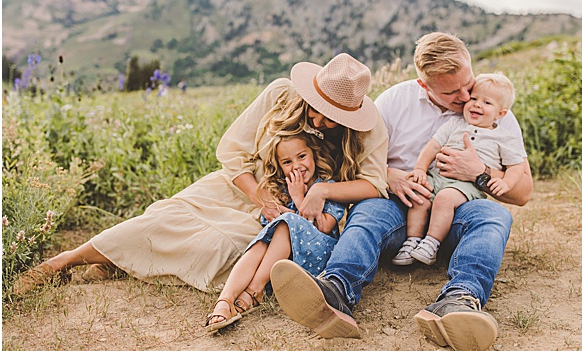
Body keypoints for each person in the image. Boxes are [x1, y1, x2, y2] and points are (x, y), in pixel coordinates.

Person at [11, 54, 389, 295]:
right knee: (163, 217)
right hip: (242, 186)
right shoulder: (280, 94)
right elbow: (231, 150)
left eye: (332, 116)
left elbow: (373, 185)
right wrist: (260, 195)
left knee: (220, 247)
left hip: (290, 210)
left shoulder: (368, 129)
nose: (320, 120)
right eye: (316, 107)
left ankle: (119, 263)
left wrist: (320, 194)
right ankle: (63, 261)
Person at [269, 32, 533, 351]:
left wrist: (479, 172)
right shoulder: (393, 102)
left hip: (457, 207)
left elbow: (522, 193)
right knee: (368, 212)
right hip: (399, 207)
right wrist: (391, 175)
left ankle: (459, 300)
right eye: (453, 92)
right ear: (425, 85)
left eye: (469, 83)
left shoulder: (494, 109)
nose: (468, 97)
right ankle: (335, 288)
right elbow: (361, 165)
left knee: (496, 215)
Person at [205, 131, 355, 332]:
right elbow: (268, 223)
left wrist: (299, 197)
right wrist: (283, 207)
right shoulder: (284, 190)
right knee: (262, 242)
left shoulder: (327, 187)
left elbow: (324, 226)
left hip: (317, 257)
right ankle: (225, 300)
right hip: (281, 260)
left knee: (287, 222)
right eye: (287, 162)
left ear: (314, 154)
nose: (296, 166)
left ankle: (254, 290)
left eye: (301, 157)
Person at [393, 72, 527, 266]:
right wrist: (421, 169)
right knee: (418, 195)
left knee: (445, 198)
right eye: (473, 99)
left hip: (466, 186)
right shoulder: (455, 123)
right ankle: (412, 241)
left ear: (500, 114)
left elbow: (517, 166)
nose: (477, 104)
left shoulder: (504, 138)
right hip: (438, 177)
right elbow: (432, 147)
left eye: (487, 103)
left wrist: (505, 182)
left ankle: (432, 243)